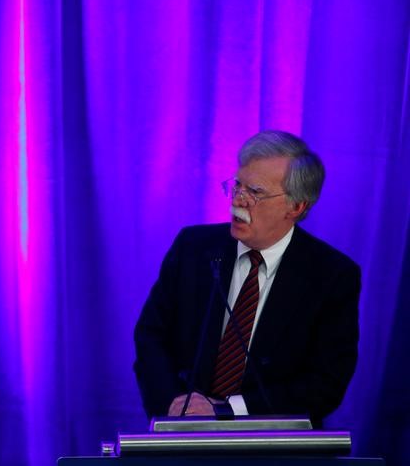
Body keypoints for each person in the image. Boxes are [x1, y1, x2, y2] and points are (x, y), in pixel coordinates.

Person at [133, 130, 360, 425]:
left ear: (296, 206)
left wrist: (228, 410)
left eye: (255, 192)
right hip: (182, 432)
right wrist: (175, 405)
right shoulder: (192, 248)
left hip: (276, 444)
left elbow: (325, 383)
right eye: (237, 186)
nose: (238, 201)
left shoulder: (332, 275)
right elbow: (151, 337)